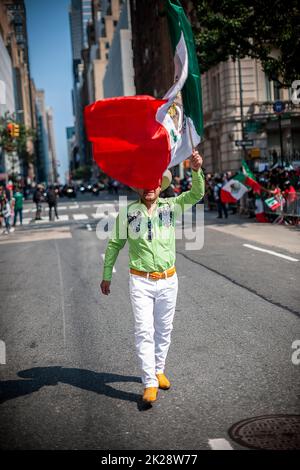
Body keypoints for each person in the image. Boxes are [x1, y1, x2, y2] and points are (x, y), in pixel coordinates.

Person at [100, 150, 205, 404]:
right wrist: (106, 275)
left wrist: (196, 169)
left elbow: (197, 194)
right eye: (145, 185)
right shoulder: (128, 213)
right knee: (144, 330)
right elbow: (115, 244)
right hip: (141, 280)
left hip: (169, 279)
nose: (150, 188)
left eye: (154, 183)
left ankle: (159, 369)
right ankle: (148, 383)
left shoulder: (171, 207)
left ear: (160, 186)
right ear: (139, 189)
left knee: (164, 328)